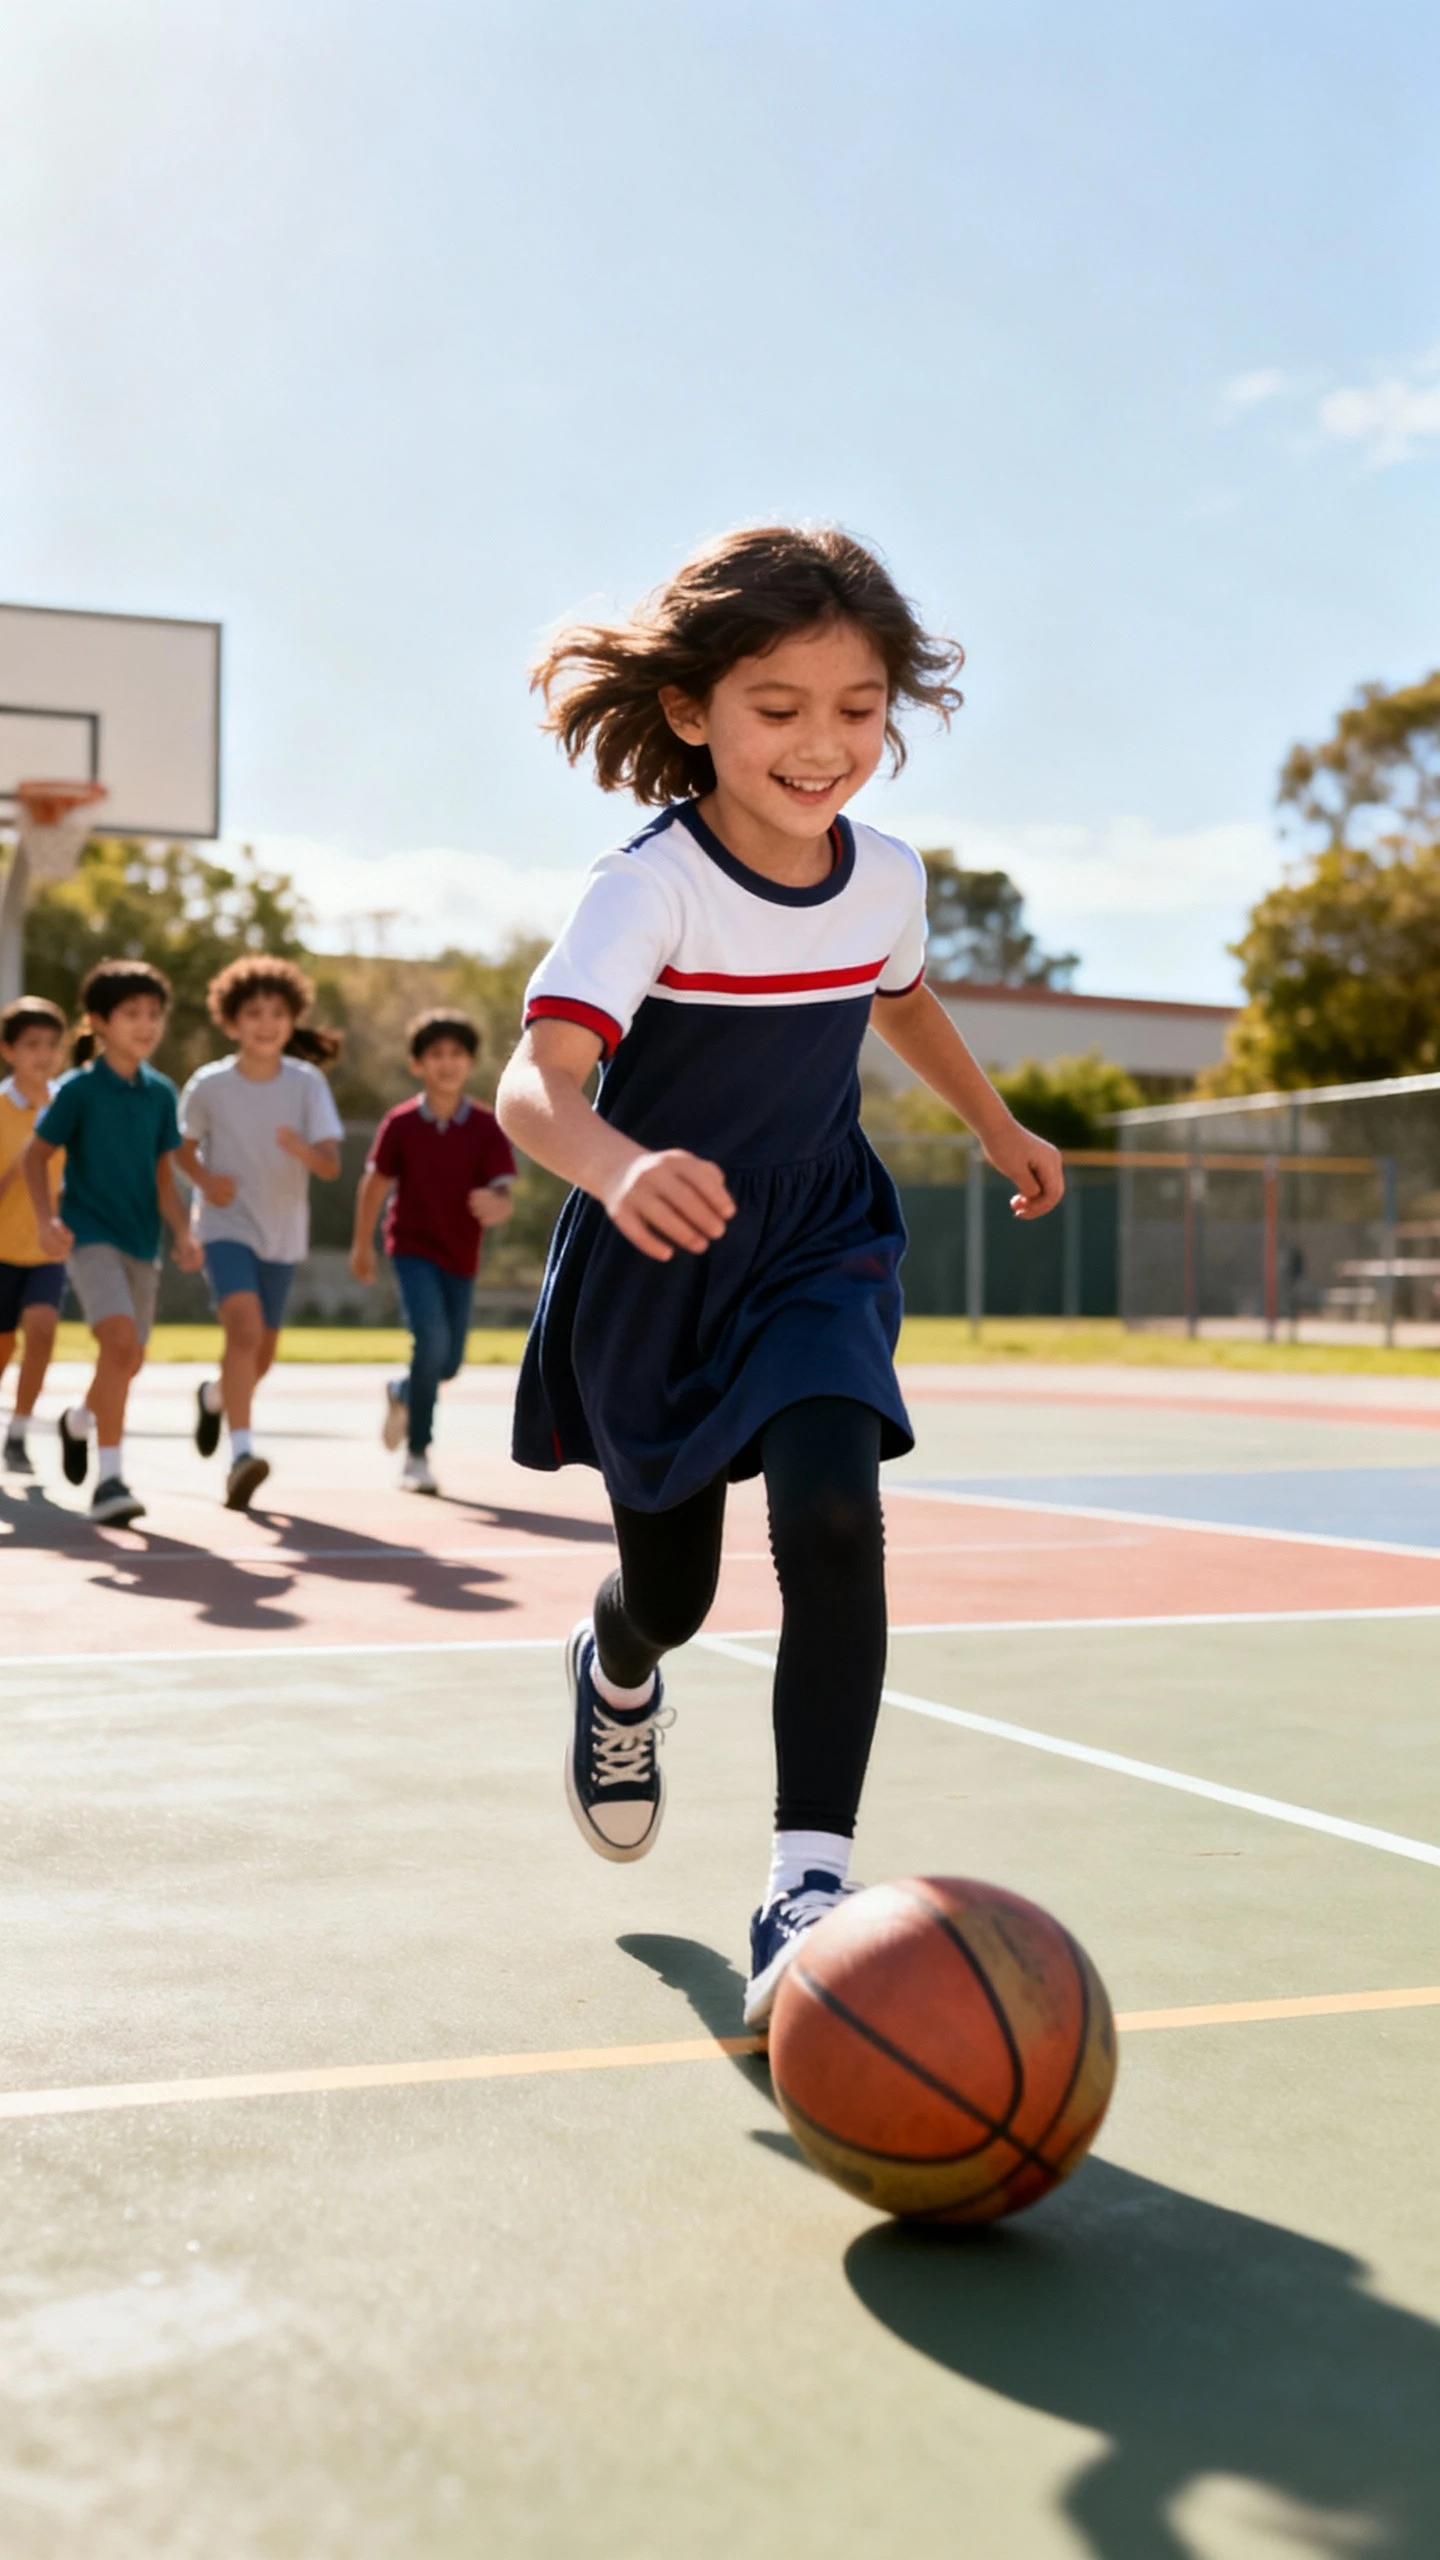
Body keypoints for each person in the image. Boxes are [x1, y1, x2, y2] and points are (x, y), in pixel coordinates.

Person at [495, 524, 1063, 2028]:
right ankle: (618, 1658)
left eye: (860, 710)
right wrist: (617, 1165)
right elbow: (535, 1088)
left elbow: (904, 995)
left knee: (830, 1509)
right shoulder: (647, 891)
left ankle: (805, 1882)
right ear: (693, 711)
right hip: (660, 1255)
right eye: (780, 708)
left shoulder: (882, 876)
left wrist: (999, 1124)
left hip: (815, 1237)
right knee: (675, 1593)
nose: (825, 747)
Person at [24, 959, 202, 1526]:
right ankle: (110, 1482)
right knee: (119, 1344)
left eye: (154, 1014)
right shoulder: (77, 1090)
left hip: (141, 1242)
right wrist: (48, 1220)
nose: (147, 1024)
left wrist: (182, 1231)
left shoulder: (160, 1093)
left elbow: (161, 1176)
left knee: (128, 1361)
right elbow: (35, 1156)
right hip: (89, 1236)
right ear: (100, 1021)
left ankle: (79, 1420)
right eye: (132, 1014)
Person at [177, 957, 344, 1510]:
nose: (266, 1023)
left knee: (261, 1354)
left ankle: (215, 1396)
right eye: (254, 1013)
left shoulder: (306, 1084)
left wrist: (303, 1150)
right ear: (231, 1022)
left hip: (282, 1233)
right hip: (225, 1226)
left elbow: (330, 1166)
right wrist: (205, 1179)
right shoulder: (210, 1085)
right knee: (243, 1332)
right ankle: (241, 1455)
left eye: (277, 1012)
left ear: (292, 1020)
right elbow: (181, 1149)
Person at [350, 1008, 516, 1494]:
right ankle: (417, 1455)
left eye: (456, 1054)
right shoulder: (400, 1124)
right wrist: (363, 1245)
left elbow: (504, 1194)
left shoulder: (486, 1126)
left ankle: (402, 1392)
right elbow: (375, 1184)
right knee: (429, 1343)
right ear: (417, 1063)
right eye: (435, 1054)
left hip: (461, 1254)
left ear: (470, 1063)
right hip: (412, 1248)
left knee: (447, 1363)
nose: (446, 1063)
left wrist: (497, 1205)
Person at [0, 996, 69, 1471]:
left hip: (47, 1249)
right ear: (9, 1051)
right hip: (2, 1250)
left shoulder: (69, 1106)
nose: (43, 1055)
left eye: (51, 1045)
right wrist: (25, 1161)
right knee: (3, 1346)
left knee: (42, 1329)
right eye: (32, 1045)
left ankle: (19, 1432)